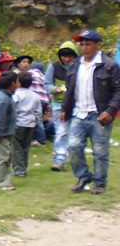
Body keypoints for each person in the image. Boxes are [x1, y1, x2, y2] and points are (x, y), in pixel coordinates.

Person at [61, 28, 120, 195]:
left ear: (98, 45)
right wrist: (65, 109)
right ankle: (83, 176)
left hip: (99, 115)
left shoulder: (110, 66)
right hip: (79, 113)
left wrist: (110, 110)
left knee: (100, 151)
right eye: (82, 44)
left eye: (88, 44)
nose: (84, 47)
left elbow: (118, 91)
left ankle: (100, 183)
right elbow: (69, 89)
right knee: (73, 147)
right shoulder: (75, 65)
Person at [46, 41, 79, 171]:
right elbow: (46, 84)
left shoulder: (78, 67)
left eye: (70, 56)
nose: (67, 59)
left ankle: (75, 158)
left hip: (76, 104)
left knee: (76, 132)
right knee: (61, 132)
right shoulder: (53, 66)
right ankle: (59, 159)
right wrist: (55, 89)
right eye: (64, 56)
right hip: (58, 104)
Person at [0, 71, 20, 191]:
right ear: (12, 84)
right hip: (2, 134)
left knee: (2, 156)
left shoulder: (6, 96)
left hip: (6, 132)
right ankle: (2, 182)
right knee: (4, 157)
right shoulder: (3, 100)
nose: (18, 84)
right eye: (17, 82)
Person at [15, 55, 50, 144]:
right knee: (38, 119)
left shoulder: (27, 74)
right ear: (18, 64)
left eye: (28, 62)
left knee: (36, 121)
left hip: (34, 99)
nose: (26, 64)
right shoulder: (42, 75)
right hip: (44, 99)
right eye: (24, 62)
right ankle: (38, 138)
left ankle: (40, 139)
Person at [12, 72, 41, 178]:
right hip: (31, 124)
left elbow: (13, 109)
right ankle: (24, 167)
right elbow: (38, 112)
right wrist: (36, 121)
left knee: (16, 147)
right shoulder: (35, 96)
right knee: (25, 146)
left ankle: (19, 170)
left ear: (18, 82)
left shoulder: (16, 95)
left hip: (18, 123)